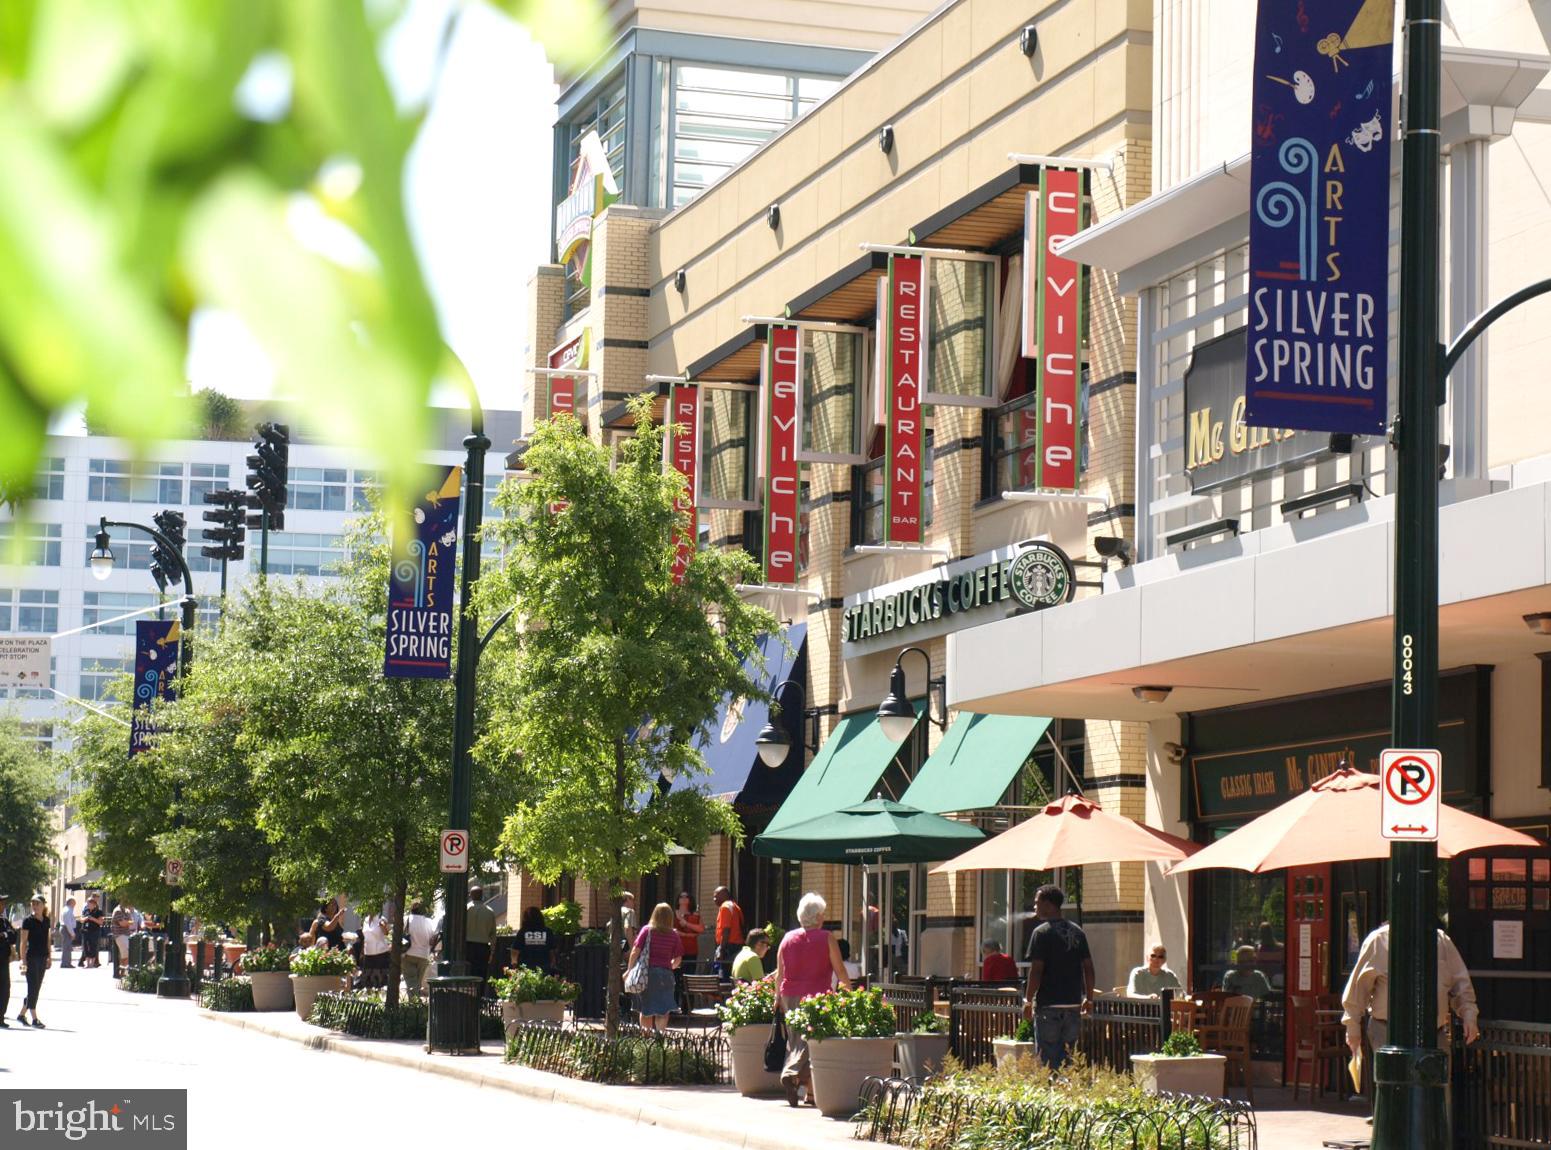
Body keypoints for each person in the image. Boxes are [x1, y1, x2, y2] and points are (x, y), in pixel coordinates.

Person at [1340, 921, 1479, 1057]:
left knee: (1438, 1080)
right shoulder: (1378, 941)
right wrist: (1352, 1029)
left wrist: (1469, 1015)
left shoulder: (1441, 940)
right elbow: (1358, 988)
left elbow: (1460, 982)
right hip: (1387, 1032)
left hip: (1434, 1034)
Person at [775, 893, 851, 1108]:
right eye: (823, 914)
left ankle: (809, 1093)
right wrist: (850, 991)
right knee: (814, 1040)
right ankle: (791, 1073)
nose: (824, 918)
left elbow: (780, 973)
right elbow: (840, 969)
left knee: (796, 1038)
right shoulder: (826, 937)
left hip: (789, 994)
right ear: (817, 917)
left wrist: (777, 997)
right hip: (816, 996)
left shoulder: (787, 938)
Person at [1022, 884, 1094, 1069]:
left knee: (1047, 1059)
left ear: (1048, 904)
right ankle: (1067, 1092)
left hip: (1048, 1006)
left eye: (1037, 903)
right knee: (1069, 1058)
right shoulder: (1077, 931)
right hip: (1073, 1005)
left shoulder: (1041, 933)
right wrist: (1089, 998)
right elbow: (1088, 967)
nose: (1035, 907)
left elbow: (1036, 970)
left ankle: (1052, 1093)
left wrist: (1028, 1001)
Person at [629, 902, 683, 1032]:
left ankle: (646, 1040)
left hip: (648, 973)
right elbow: (678, 958)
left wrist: (630, 970)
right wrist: (670, 966)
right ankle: (660, 1036)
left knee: (646, 1009)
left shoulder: (647, 931)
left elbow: (635, 951)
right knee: (663, 1009)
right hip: (666, 975)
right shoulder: (674, 934)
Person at [18, 896, 52, 1028]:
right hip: (31, 958)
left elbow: (48, 939)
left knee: (36, 988)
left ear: (43, 905)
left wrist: (49, 956)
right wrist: (23, 961)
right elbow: (23, 942)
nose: (35, 906)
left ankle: (21, 1015)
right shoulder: (28, 921)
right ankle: (34, 1018)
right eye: (33, 903)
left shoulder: (47, 920)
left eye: (37, 903)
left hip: (43, 957)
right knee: (32, 988)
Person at [401, 900, 437, 998]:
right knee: (418, 982)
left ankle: (413, 1006)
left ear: (412, 909)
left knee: (411, 982)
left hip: (408, 954)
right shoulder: (429, 922)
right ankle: (415, 1004)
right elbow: (432, 939)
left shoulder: (406, 919)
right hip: (423, 955)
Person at [465, 885, 496, 988]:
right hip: (483, 948)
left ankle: (468, 996)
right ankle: (479, 997)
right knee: (481, 974)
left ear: (471, 895)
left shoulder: (465, 910)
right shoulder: (490, 911)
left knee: (467, 973)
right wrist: (492, 951)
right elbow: (493, 934)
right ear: (482, 895)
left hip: (467, 947)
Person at [712, 886, 745, 977]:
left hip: (729, 946)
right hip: (737, 945)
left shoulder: (725, 907)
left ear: (725, 895)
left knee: (723, 975)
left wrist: (721, 950)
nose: (714, 899)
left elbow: (726, 930)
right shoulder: (735, 906)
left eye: (716, 896)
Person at [358, 906, 391, 988]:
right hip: (368, 953)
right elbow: (365, 937)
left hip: (380, 953)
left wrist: (383, 926)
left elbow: (387, 933)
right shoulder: (365, 920)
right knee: (368, 980)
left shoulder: (381, 919)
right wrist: (362, 952)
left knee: (381, 980)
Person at [514, 906, 554, 973]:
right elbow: (551, 949)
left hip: (526, 966)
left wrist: (514, 962)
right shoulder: (547, 931)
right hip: (544, 965)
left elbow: (516, 948)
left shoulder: (523, 932)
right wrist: (553, 961)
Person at [673, 892, 703, 974]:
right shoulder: (673, 914)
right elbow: (672, 930)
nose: (683, 898)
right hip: (677, 948)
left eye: (686, 896)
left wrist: (686, 924)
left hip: (691, 949)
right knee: (676, 973)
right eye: (681, 896)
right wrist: (687, 935)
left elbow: (701, 929)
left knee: (689, 972)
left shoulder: (695, 915)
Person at [110, 900, 134, 977]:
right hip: (119, 935)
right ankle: (123, 972)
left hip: (127, 934)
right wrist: (128, 922)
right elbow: (122, 924)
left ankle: (123, 972)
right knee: (126, 953)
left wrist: (127, 922)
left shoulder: (127, 911)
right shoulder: (117, 911)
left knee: (126, 954)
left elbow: (132, 922)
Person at [0, 901, 14, 1027]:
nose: (3, 906)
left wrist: (4, 934)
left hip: (4, 959)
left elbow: (13, 935)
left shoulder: (4, 921)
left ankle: (1, 1016)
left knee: (5, 988)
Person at [79, 896, 104, 967]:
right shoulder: (85, 910)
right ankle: (87, 963)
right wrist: (85, 918)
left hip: (94, 931)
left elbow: (101, 922)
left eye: (90, 904)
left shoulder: (99, 911)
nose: (88, 905)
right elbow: (81, 919)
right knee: (85, 947)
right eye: (88, 903)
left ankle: (92, 963)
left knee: (93, 946)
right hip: (85, 931)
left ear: (94, 904)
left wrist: (93, 919)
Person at [57, 897, 76, 969]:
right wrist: (72, 933)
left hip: (65, 928)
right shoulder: (68, 910)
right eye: (74, 902)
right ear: (71, 902)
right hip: (66, 929)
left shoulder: (66, 909)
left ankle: (67, 962)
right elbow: (68, 923)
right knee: (67, 947)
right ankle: (65, 963)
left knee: (67, 946)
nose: (75, 904)